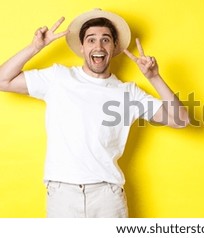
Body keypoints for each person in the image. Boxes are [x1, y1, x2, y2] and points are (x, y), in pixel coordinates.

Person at [0, 9, 190, 217]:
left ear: (114, 46)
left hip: (107, 197)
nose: (98, 46)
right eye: (91, 40)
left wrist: (154, 77)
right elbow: (3, 80)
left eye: (105, 40)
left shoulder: (128, 93)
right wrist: (34, 47)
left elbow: (181, 120)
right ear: (82, 47)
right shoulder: (58, 78)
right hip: (62, 195)